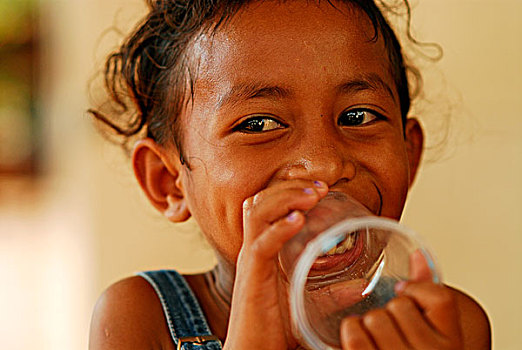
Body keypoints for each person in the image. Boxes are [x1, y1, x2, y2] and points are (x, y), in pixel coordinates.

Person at [88, 0, 491, 349]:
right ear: (168, 181)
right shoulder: (144, 318)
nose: (324, 164)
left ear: (409, 153)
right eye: (258, 124)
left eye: (358, 116)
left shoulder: (444, 325)